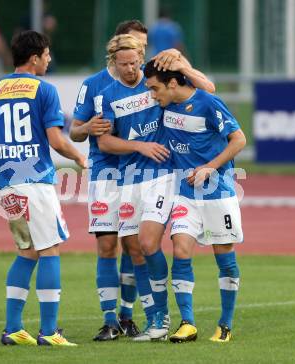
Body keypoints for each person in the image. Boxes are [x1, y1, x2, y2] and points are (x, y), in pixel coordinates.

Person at [0, 30, 86, 346]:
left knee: (28, 251)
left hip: (4, 184)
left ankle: (13, 329)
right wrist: (78, 156)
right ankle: (49, 332)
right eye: (47, 55)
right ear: (34, 57)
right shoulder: (44, 90)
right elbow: (56, 139)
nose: (49, 60)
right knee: (50, 250)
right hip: (34, 181)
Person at [97, 34, 215, 342]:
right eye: (124, 63)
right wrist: (139, 145)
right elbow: (104, 141)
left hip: (161, 175)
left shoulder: (159, 81)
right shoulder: (109, 94)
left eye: (135, 61)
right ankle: (155, 322)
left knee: (149, 243)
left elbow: (205, 89)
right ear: (114, 62)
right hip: (127, 177)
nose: (131, 68)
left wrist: (177, 56)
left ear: (141, 56)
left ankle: (162, 316)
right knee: (134, 248)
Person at [143, 60, 246, 343]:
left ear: (173, 83)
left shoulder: (208, 103)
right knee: (180, 248)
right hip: (185, 193)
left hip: (217, 192)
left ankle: (225, 325)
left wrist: (210, 167)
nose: (153, 95)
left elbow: (238, 140)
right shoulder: (165, 108)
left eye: (155, 89)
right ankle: (187, 323)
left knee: (224, 259)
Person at [69, 20, 149, 341]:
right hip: (105, 173)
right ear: (114, 53)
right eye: (134, 47)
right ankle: (109, 320)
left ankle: (128, 316)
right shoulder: (94, 85)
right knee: (106, 245)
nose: (138, 56)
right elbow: (74, 130)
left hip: (138, 175)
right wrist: (89, 127)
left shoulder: (148, 82)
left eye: (141, 49)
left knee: (133, 246)